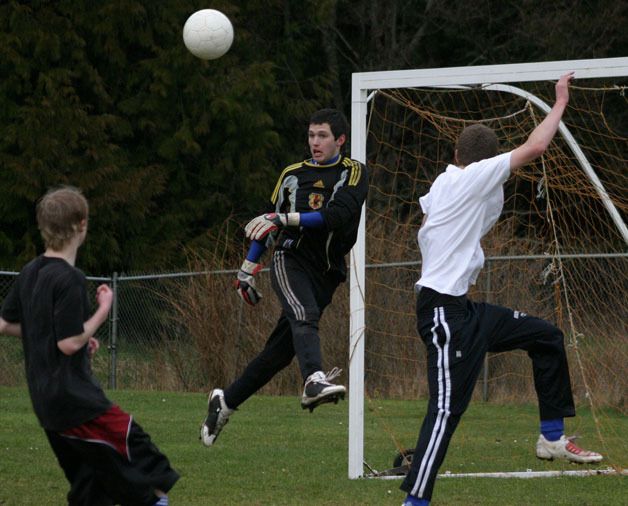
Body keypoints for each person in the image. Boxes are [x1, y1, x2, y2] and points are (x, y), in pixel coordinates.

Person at [401, 73, 602, 506]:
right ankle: (415, 500)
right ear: (486, 162)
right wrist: (560, 104)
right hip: (443, 313)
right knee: (445, 410)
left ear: (455, 153)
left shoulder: (445, 184)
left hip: (464, 310)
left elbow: (428, 222)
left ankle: (551, 437)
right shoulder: (469, 178)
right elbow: (535, 147)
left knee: (546, 336)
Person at [0, 186, 179, 506]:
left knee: (91, 483)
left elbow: (5, 324)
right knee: (143, 459)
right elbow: (68, 343)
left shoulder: (30, 271)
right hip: (77, 400)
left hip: (47, 404)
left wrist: (78, 338)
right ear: (82, 225)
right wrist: (102, 310)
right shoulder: (69, 277)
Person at [200, 108, 368, 447]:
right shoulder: (291, 173)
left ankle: (225, 402)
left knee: (277, 355)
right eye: (311, 135)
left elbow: (335, 216)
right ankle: (313, 381)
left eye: (322, 136)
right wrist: (247, 270)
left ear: (341, 140)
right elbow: (267, 225)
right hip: (290, 259)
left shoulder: (353, 173)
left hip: (328, 271)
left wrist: (282, 217)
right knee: (304, 314)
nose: (315, 142)